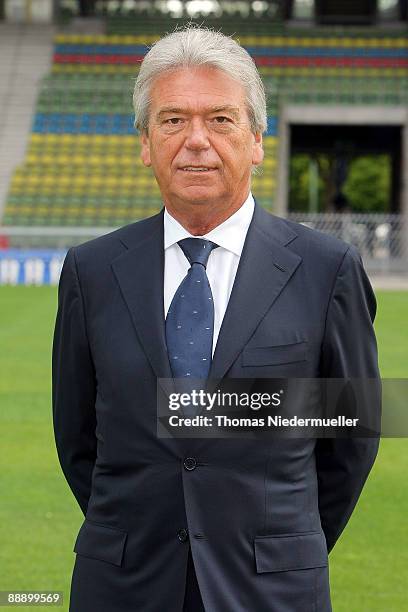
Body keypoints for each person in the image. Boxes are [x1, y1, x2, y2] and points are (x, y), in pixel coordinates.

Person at [52, 25, 380, 612]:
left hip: (272, 589)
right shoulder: (91, 271)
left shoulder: (327, 269)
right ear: (145, 143)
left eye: (221, 120)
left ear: (256, 140)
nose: (195, 141)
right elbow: (77, 437)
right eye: (172, 120)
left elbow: (351, 439)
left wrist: (281, 545)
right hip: (123, 586)